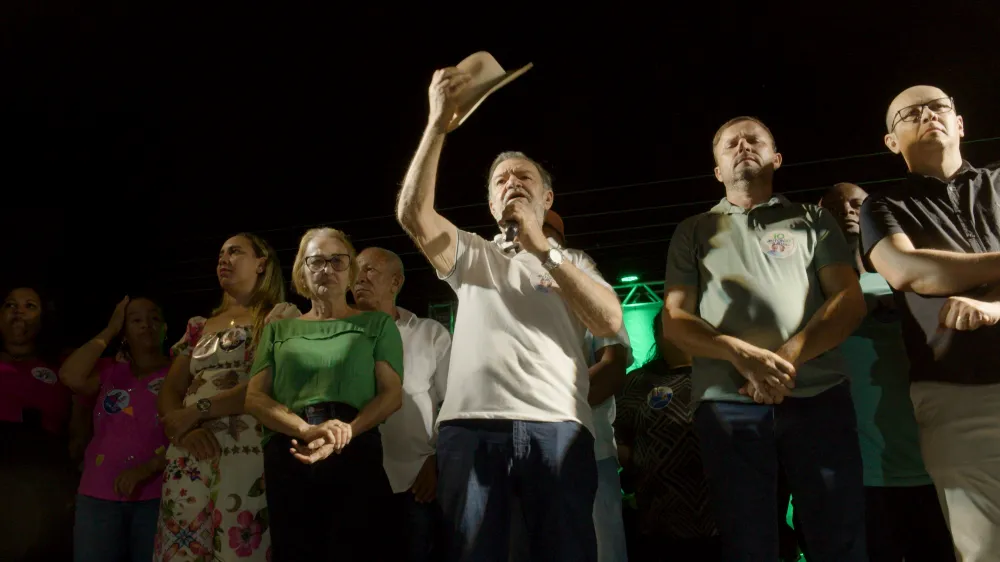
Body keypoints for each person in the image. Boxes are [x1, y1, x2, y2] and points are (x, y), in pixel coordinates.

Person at [396, 67, 624, 562]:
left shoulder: (575, 263)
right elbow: (413, 215)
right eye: (501, 179)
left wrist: (542, 249)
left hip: (557, 427)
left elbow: (608, 321)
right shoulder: (476, 255)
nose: (512, 183)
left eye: (526, 177)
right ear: (490, 201)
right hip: (471, 429)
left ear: (548, 199)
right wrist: (437, 125)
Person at [662, 116, 867, 560]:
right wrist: (739, 355)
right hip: (728, 404)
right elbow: (675, 318)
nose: (742, 146)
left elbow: (849, 300)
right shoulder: (693, 230)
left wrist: (786, 357)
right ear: (717, 170)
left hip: (818, 396)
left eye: (754, 139)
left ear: (776, 158)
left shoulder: (812, 219)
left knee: (838, 536)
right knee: (749, 542)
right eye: (729, 144)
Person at [861, 85, 1000, 561]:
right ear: (891, 141)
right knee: (983, 548)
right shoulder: (881, 206)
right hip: (959, 396)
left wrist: (994, 306)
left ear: (960, 123)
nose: (927, 115)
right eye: (909, 113)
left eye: (938, 107)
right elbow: (909, 271)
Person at [246, 228, 404, 562]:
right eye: (316, 261)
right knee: (296, 550)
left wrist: (348, 430)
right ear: (301, 271)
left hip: (355, 447)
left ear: (351, 270)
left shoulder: (376, 324)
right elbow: (255, 398)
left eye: (337, 260)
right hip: (290, 448)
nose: (327, 269)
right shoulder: (278, 329)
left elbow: (391, 395)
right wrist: (304, 430)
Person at [820, 182, 956, 562]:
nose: (846, 210)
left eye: (856, 203)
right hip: (860, 476)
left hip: (931, 466)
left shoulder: (909, 280)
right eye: (834, 204)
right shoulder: (812, 292)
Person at [153, 233, 299, 562]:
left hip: (246, 449)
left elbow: (269, 384)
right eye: (220, 253)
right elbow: (171, 391)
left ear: (261, 263)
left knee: (240, 545)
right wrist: (185, 429)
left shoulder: (278, 317)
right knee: (183, 547)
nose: (223, 259)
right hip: (190, 449)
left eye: (235, 252)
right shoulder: (199, 326)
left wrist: (199, 410)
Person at [352, 246, 451, 562]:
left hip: (416, 479)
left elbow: (452, 403)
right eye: (356, 271)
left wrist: (437, 460)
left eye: (370, 270)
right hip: (352, 479)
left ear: (395, 283)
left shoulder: (429, 333)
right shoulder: (337, 334)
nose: (360, 277)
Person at [60, 296, 173, 562]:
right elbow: (69, 376)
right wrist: (109, 330)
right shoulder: (109, 371)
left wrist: (149, 468)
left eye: (154, 318)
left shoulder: (178, 373)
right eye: (135, 320)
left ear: (166, 328)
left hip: (157, 495)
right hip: (98, 495)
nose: (146, 324)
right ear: (124, 330)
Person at [615, 311, 719, 562]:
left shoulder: (722, 376)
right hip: (658, 518)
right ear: (657, 335)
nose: (675, 335)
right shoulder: (636, 382)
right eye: (667, 328)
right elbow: (619, 437)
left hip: (719, 517)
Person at [0, 285, 81, 562]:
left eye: (29, 305)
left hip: (40, 475)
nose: (18, 311)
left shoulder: (62, 364)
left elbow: (78, 432)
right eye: (10, 305)